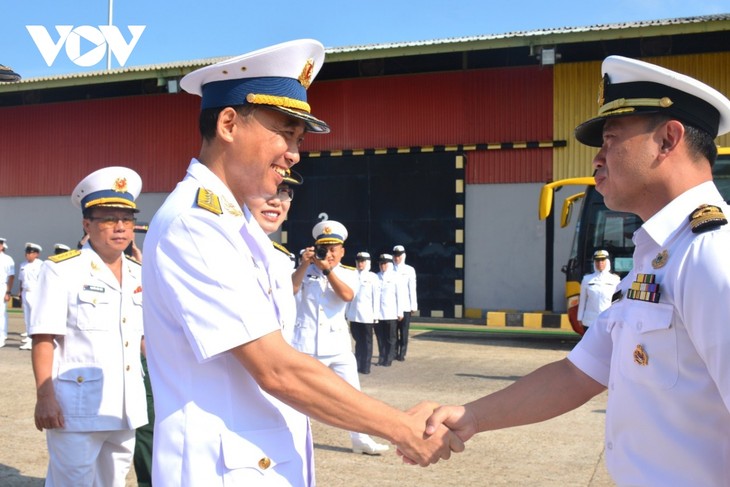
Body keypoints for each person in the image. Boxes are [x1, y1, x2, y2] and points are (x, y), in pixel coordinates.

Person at [141, 39, 461, 486]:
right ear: (229, 123)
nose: (294, 153)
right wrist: (401, 427)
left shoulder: (238, 228)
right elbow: (276, 368)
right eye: (284, 133)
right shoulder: (195, 225)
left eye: (298, 139)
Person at [423, 55, 730, 485]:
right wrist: (473, 416)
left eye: (610, 140)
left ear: (668, 139)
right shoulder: (657, 258)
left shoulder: (713, 253)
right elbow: (578, 373)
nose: (597, 159)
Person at [29, 166, 147, 486]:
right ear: (87, 224)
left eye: (127, 219)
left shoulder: (138, 273)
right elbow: (44, 337)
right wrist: (45, 397)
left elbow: (141, 339)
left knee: (113, 482)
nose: (120, 227)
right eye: (109, 218)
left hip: (125, 407)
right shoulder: (63, 271)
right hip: (76, 409)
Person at [292, 221, 390, 454]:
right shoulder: (304, 271)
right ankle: (292, 439)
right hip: (306, 345)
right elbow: (289, 290)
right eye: (324, 248)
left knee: (353, 395)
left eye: (334, 248)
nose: (330, 253)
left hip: (337, 346)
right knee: (298, 398)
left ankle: (361, 439)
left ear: (342, 251)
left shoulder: (348, 273)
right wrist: (304, 265)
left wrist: (327, 270)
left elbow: (346, 295)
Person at [346, 251, 380, 374]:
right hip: (354, 315)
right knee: (357, 341)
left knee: (367, 342)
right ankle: (358, 363)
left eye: (362, 261)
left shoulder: (373, 277)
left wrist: (376, 315)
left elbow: (376, 298)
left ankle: (365, 366)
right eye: (358, 261)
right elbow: (349, 296)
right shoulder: (352, 275)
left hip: (367, 315)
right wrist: (346, 313)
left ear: (367, 262)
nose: (360, 264)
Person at [576, 249, 621, 334]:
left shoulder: (615, 280)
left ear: (607, 262)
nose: (600, 263)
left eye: (602, 260)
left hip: (608, 320)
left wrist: (618, 318)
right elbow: (582, 300)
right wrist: (579, 318)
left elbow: (618, 302)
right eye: (597, 260)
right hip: (590, 321)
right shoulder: (587, 279)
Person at [374, 253, 407, 367]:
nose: (382, 266)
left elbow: (400, 296)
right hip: (378, 314)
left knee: (391, 338)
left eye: (384, 264)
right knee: (380, 338)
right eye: (380, 264)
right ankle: (381, 358)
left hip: (391, 313)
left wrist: (400, 312)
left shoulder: (396, 277)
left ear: (389, 264)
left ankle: (389, 358)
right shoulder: (376, 277)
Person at [392, 245, 417, 361]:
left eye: (399, 256)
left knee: (404, 332)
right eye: (395, 255)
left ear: (403, 256)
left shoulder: (409, 270)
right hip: (392, 307)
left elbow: (412, 289)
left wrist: (413, 306)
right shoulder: (389, 269)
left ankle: (402, 353)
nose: (397, 258)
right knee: (393, 332)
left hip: (406, 306)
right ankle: (393, 352)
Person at [18, 242, 44, 351]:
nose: (28, 254)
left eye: (30, 253)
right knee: (27, 317)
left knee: (35, 317)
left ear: (37, 254)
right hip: (25, 292)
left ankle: (34, 340)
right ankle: (29, 339)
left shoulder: (41, 265)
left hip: (35, 293)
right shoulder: (23, 265)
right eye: (27, 252)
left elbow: (43, 281)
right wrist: (20, 292)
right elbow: (21, 280)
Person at [0, 237, 15, 348]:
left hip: (2, 286)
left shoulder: (7, 259)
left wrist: (8, 291)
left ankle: (1, 335)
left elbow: (11, 276)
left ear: (2, 246)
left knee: (1, 312)